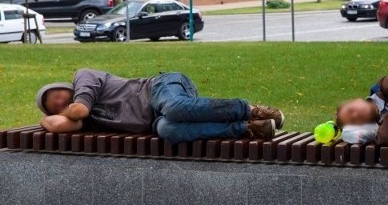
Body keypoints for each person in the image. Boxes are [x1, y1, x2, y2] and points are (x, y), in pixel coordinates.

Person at [36, 68, 284, 144]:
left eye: (56, 94)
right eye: (53, 105)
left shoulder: (84, 77)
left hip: (159, 88)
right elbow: (56, 124)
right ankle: (247, 128)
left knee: (176, 108)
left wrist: (70, 111)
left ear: (64, 86)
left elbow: (79, 110)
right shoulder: (77, 116)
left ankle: (251, 109)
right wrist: (46, 119)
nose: (59, 102)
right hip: (156, 121)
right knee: (169, 130)